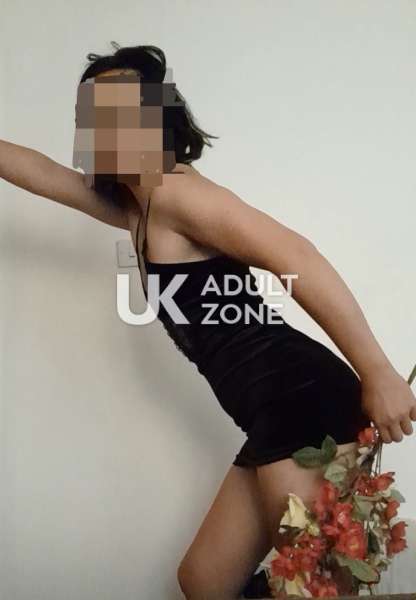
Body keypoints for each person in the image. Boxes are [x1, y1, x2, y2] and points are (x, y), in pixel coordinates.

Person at [1, 42, 415, 600]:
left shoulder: (178, 192)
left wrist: (379, 372)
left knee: (313, 585)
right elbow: (42, 174)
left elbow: (298, 256)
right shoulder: (137, 205)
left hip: (302, 403)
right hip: (267, 414)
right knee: (203, 579)